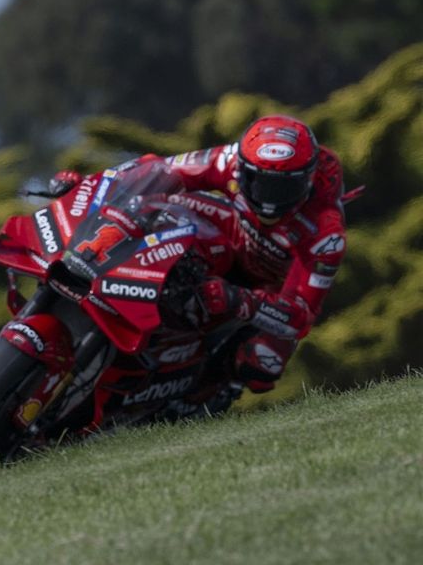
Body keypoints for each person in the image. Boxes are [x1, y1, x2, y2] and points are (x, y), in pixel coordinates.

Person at [48, 114, 349, 406]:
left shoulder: (326, 231)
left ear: (307, 182)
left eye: (282, 188)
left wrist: (242, 300)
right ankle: (141, 283)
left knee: (261, 365)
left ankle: (197, 394)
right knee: (160, 203)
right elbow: (157, 171)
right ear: (242, 168)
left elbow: (300, 316)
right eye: (257, 182)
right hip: (228, 237)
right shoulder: (228, 160)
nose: (268, 199)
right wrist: (91, 186)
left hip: (267, 289)